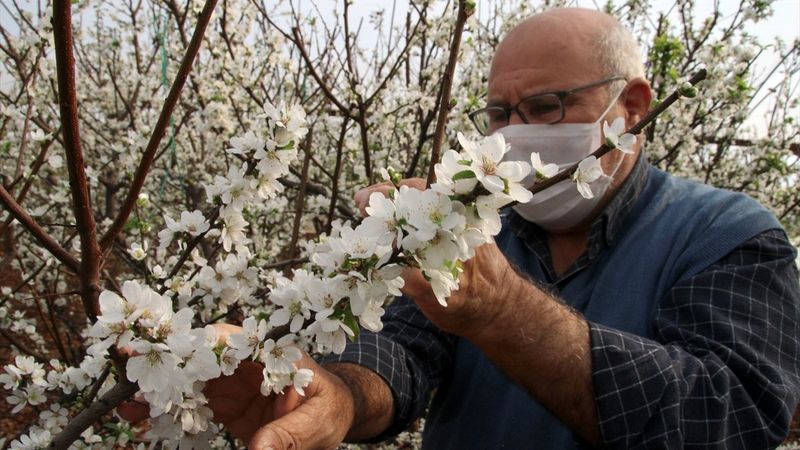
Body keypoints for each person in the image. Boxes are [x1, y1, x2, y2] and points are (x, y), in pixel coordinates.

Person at [127, 7, 800, 450]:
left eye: (546, 106)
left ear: (632, 105)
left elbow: (728, 416)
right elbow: (403, 352)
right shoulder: (482, 225)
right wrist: (337, 395)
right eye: (499, 114)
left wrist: (503, 312)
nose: (515, 135)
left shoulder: (728, 234)